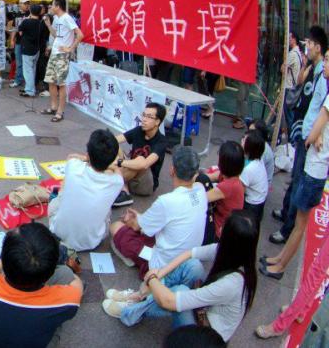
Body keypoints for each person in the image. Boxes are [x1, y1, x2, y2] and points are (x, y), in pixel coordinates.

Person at [104, 211, 257, 344]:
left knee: (179, 291)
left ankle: (130, 312)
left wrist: (152, 279)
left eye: (225, 226)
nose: (220, 227)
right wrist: (159, 274)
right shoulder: (238, 254)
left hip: (204, 337)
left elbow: (168, 301)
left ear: (231, 239)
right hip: (205, 313)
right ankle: (139, 297)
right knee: (193, 265)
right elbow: (190, 253)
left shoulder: (232, 284)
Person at [262, 49, 329, 280]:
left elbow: (311, 135)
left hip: (315, 170)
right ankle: (278, 259)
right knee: (299, 223)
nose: (325, 64)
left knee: (301, 225)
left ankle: (280, 267)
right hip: (314, 168)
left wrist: (315, 135)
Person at [0, 222, 83, 348]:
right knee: (65, 272)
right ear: (51, 272)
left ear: (4, 258)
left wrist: (5, 259)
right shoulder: (66, 301)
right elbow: (77, 285)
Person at [110, 146, 207, 278]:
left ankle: (135, 260)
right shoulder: (201, 190)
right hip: (188, 262)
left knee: (116, 227)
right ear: (196, 174)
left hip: (161, 266)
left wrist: (131, 220)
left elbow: (138, 227)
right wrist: (141, 218)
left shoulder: (166, 201)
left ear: (172, 170)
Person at [272, 27, 328, 247]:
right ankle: (286, 212)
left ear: (318, 46)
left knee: (299, 183)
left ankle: (287, 228)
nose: (308, 48)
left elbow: (322, 109)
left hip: (310, 138)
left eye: (310, 45)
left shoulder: (323, 74)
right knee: (295, 179)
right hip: (305, 132)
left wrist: (316, 134)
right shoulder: (315, 69)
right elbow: (300, 85)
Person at [51, 129, 123, 251]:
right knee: (108, 211)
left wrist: (85, 158)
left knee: (62, 189)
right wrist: (110, 165)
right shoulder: (117, 182)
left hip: (57, 231)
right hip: (91, 242)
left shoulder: (74, 166)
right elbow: (117, 171)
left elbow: (71, 157)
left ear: (88, 154)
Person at [112, 102, 168, 207]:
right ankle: (124, 191)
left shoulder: (161, 141)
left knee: (140, 161)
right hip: (130, 171)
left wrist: (118, 162)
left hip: (145, 184)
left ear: (157, 122)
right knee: (115, 145)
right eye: (144, 115)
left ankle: (111, 181)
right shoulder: (139, 130)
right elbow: (114, 140)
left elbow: (145, 164)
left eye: (149, 117)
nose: (144, 119)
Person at [42, 0, 82, 121]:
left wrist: (70, 48)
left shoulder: (67, 18)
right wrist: (48, 25)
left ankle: (60, 111)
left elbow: (80, 34)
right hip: (55, 54)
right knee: (51, 81)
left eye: (52, 5)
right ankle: (54, 107)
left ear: (58, 6)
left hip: (62, 56)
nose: (51, 8)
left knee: (61, 84)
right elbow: (56, 35)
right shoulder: (58, 19)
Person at [204, 141, 246, 239]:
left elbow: (202, 198)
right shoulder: (229, 175)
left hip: (220, 230)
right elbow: (210, 176)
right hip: (222, 218)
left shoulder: (229, 186)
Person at [240, 129, 268, 227]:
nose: (242, 140)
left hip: (251, 205)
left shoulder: (249, 169)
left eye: (244, 140)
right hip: (260, 201)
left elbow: (240, 191)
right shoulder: (258, 160)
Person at [17, 4, 43, 98]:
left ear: (31, 11)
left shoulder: (26, 22)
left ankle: (30, 90)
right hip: (36, 49)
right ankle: (30, 88)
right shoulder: (41, 22)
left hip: (27, 49)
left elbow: (20, 33)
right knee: (32, 69)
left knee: (28, 71)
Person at [9, 0, 30, 88]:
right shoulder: (17, 15)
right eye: (25, 3)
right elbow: (14, 28)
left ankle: (27, 81)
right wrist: (12, 39)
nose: (26, 5)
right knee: (19, 62)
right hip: (18, 42)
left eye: (28, 3)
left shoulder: (31, 14)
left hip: (27, 42)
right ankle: (18, 80)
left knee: (27, 63)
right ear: (20, 4)